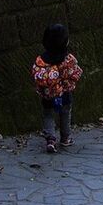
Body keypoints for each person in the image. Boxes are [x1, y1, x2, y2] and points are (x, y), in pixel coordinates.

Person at [31, 24, 83, 153]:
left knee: (48, 114)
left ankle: (50, 139)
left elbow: (35, 73)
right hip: (64, 94)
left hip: (47, 94)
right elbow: (75, 74)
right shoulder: (68, 59)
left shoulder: (41, 60)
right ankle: (65, 138)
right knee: (65, 114)